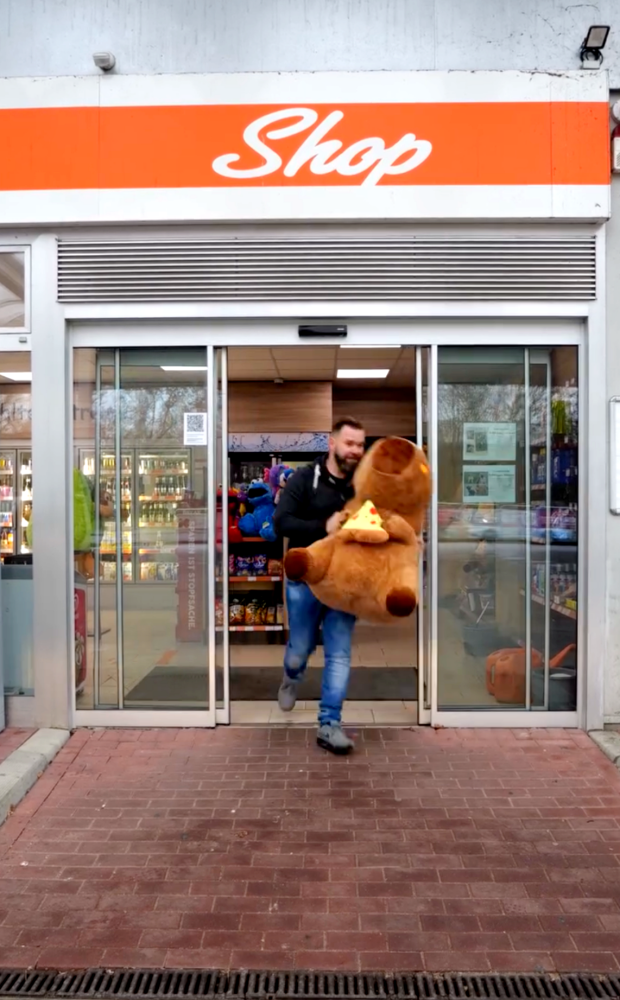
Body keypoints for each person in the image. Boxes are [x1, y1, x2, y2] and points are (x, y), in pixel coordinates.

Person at [273, 417, 366, 754]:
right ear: (332, 443)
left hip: (344, 584)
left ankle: (329, 724)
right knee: (300, 647)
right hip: (305, 582)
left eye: (360, 445)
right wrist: (323, 527)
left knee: (339, 653)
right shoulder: (304, 479)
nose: (355, 450)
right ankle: (291, 676)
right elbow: (281, 522)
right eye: (349, 443)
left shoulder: (364, 485)